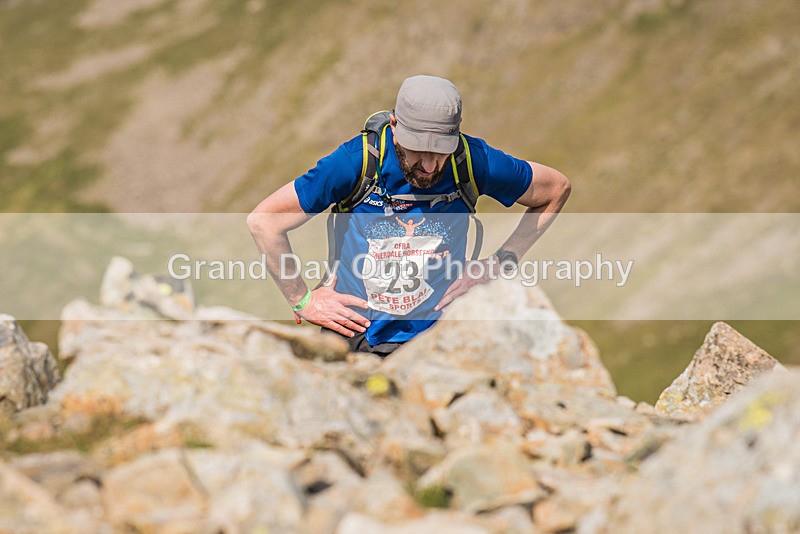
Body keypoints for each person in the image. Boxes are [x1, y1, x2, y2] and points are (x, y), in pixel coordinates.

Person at [247, 75, 570, 357]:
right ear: (394, 125)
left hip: (440, 339)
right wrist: (302, 301)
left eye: (440, 150)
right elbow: (265, 221)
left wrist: (500, 263)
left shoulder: (474, 161)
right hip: (355, 335)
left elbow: (555, 189)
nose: (429, 165)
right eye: (418, 149)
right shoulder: (356, 161)